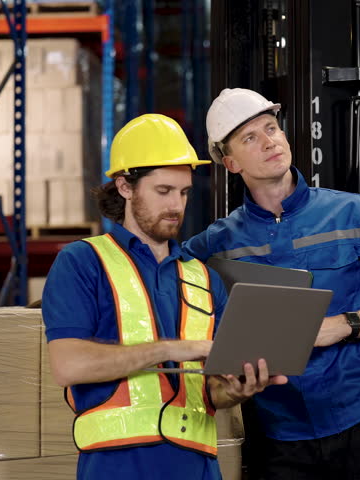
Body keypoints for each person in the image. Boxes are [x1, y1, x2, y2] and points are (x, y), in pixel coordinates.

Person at [183, 88, 360, 480]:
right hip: (278, 433)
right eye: (250, 137)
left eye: (271, 128)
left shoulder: (356, 213)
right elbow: (155, 278)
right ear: (230, 161)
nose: (270, 141)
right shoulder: (216, 245)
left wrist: (343, 325)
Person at [41, 113, 286, 480]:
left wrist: (237, 390)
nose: (176, 205)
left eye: (184, 192)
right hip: (117, 467)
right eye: (163, 191)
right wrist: (172, 349)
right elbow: (68, 366)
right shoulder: (82, 261)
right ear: (124, 186)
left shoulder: (202, 277)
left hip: (199, 467)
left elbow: (209, 393)